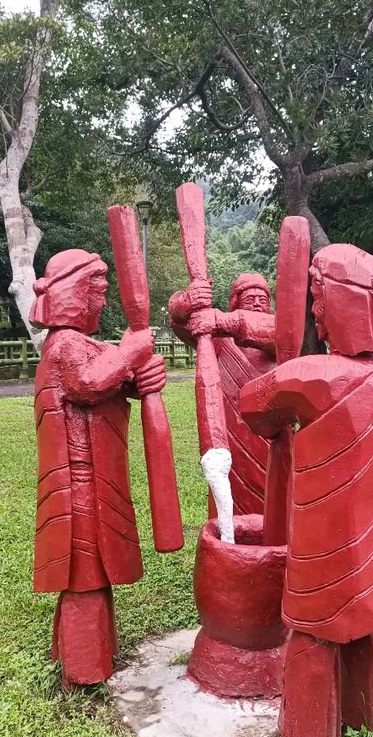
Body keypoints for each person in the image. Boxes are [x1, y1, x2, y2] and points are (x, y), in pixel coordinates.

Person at [240, 244, 373, 737]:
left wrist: (283, 376)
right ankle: (369, 711)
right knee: (366, 619)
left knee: (314, 631)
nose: (313, 310)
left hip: (327, 546)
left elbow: (253, 408)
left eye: (318, 297)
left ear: (337, 301)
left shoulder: (311, 377)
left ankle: (309, 730)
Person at [30, 249, 167, 687]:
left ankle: (89, 655)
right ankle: (85, 667)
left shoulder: (78, 345)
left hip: (92, 479)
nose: (104, 303)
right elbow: (89, 382)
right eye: (98, 292)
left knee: (93, 570)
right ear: (76, 293)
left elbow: (108, 373)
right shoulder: (65, 344)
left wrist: (140, 375)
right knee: (85, 571)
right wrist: (131, 351)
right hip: (78, 484)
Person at [169, 273, 275, 516]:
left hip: (272, 436)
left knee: (275, 491)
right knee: (227, 490)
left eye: (263, 298)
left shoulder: (278, 335)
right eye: (250, 299)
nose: (258, 303)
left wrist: (221, 320)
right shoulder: (220, 341)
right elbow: (185, 324)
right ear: (236, 302)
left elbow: (278, 335)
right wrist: (184, 302)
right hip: (230, 434)